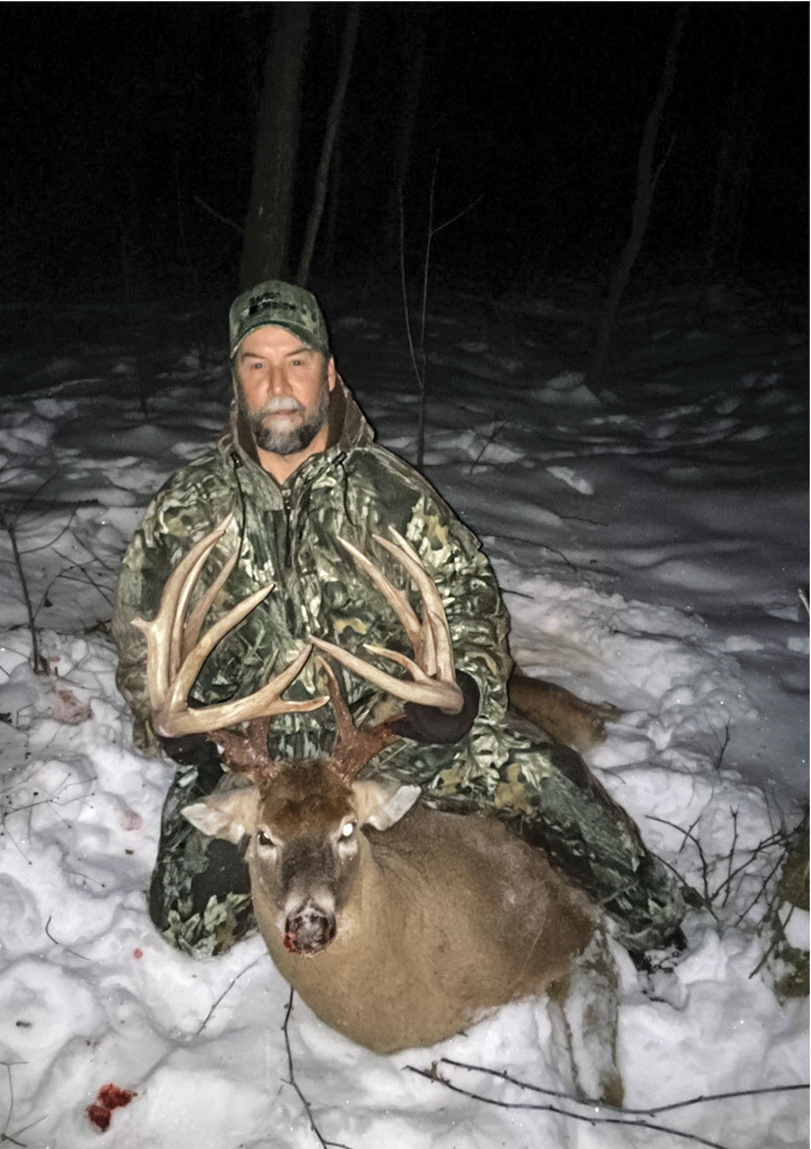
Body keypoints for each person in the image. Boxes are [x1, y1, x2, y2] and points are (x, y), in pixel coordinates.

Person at [112, 280, 684, 960]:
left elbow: (469, 605)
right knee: (187, 922)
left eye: (296, 360)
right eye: (256, 365)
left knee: (536, 777)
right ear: (236, 383)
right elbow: (139, 654)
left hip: (381, 738)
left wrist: (463, 694)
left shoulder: (393, 495)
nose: (279, 383)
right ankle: (324, 870)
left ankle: (659, 925)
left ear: (329, 373)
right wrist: (174, 726)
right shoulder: (184, 513)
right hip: (248, 762)